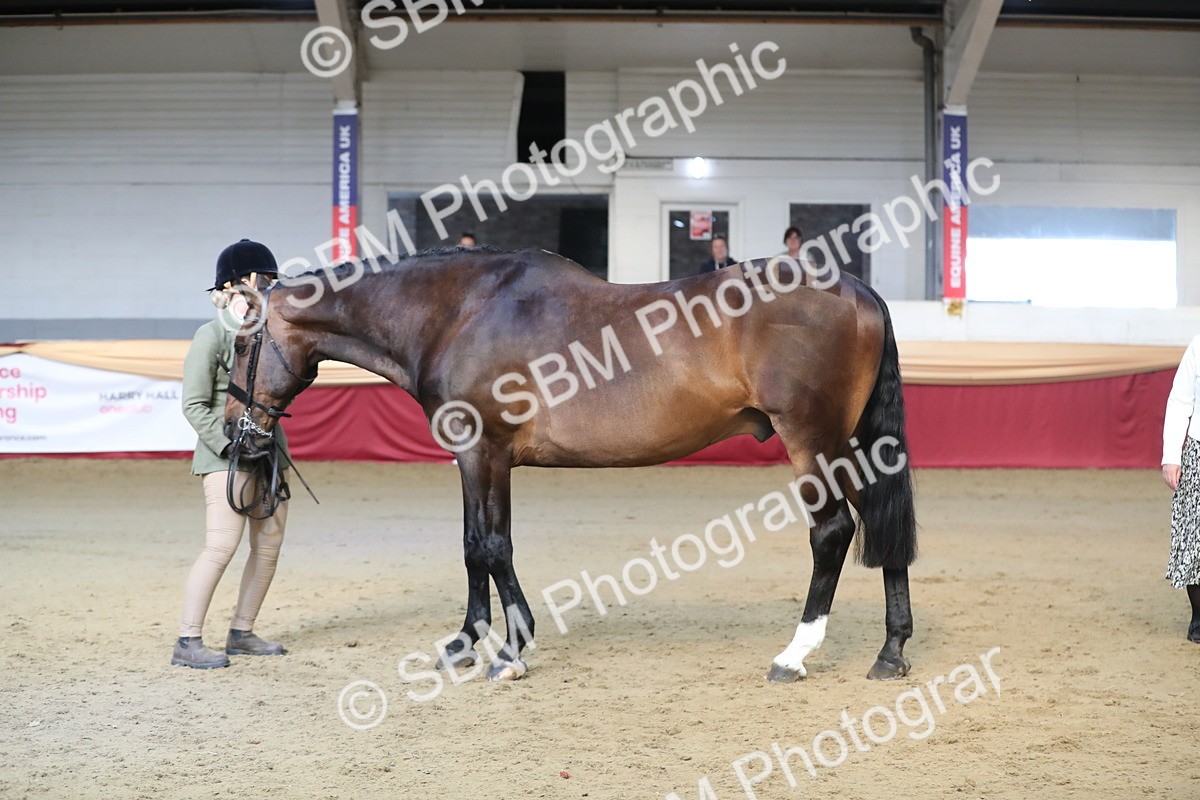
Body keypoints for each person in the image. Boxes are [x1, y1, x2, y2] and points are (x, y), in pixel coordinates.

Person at [172, 238, 293, 669]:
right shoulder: (212, 335)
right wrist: (227, 445)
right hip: (225, 455)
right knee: (221, 545)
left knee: (269, 544)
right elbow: (193, 404)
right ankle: (187, 640)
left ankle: (242, 631)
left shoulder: (269, 332)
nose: (273, 285)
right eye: (267, 278)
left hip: (269, 453)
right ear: (241, 283)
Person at [1162, 334, 1200, 644]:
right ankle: (1198, 618)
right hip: (1198, 453)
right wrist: (1171, 457)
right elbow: (1179, 401)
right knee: (1194, 540)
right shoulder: (1198, 345)